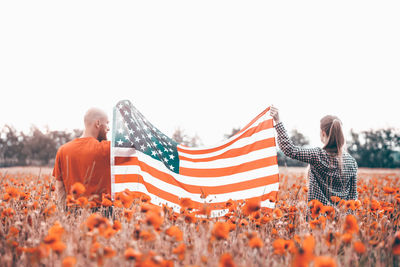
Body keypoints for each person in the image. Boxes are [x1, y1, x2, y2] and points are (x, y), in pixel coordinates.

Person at [270, 106, 358, 206]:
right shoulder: (351, 162)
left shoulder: (317, 155)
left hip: (317, 219)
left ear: (323, 133)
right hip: (342, 219)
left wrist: (278, 121)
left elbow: (290, 149)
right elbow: (353, 197)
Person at [53, 107, 111, 212]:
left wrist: (64, 215)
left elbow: (60, 188)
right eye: (107, 123)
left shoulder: (62, 150)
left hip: (73, 212)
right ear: (98, 123)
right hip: (102, 214)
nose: (108, 128)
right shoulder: (107, 148)